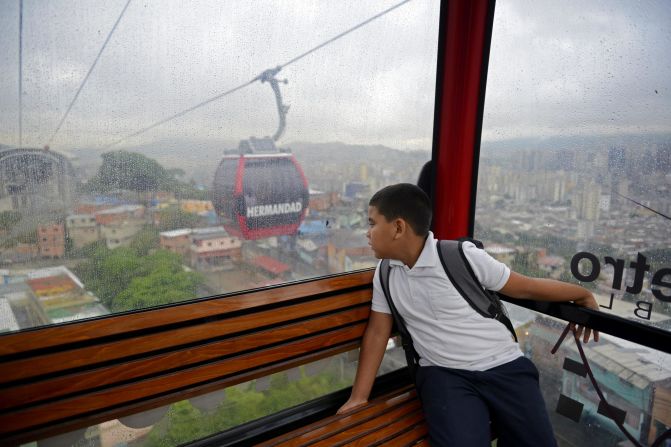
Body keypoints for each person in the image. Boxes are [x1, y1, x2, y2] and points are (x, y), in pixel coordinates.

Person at [336, 183, 599, 447]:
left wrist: (582, 294)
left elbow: (526, 287)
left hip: (503, 365)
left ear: (398, 228)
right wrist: (359, 396)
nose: (367, 233)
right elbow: (378, 331)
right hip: (445, 376)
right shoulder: (386, 274)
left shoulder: (460, 256)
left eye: (372, 223)